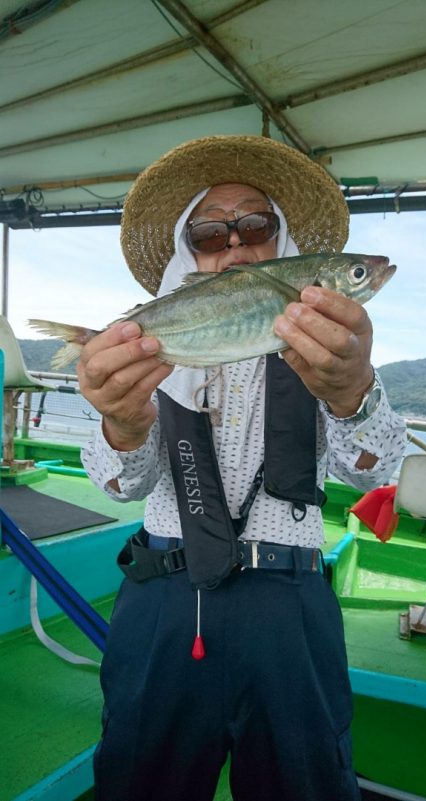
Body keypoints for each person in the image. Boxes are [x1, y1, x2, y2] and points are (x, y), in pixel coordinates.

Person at [79, 135, 406, 801]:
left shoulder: (323, 344)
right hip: (164, 602)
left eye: (254, 225)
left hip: (288, 606)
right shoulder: (149, 346)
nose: (234, 245)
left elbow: (377, 470)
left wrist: (353, 393)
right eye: (208, 232)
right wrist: (122, 422)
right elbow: (119, 482)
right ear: (186, 249)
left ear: (279, 241)